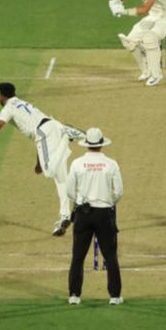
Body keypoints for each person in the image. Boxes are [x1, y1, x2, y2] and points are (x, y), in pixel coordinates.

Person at [0, 82, 84, 236]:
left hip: (46, 132)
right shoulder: (23, 103)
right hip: (52, 128)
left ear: (1, 96)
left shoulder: (8, 108)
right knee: (61, 179)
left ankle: (67, 135)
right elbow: (39, 139)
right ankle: (65, 216)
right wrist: (38, 162)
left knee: (49, 172)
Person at [65, 127, 123, 305]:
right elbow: (119, 192)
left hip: (83, 213)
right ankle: (114, 296)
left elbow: (69, 192)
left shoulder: (76, 163)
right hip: (104, 213)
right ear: (101, 144)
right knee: (111, 256)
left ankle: (74, 295)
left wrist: (81, 201)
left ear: (87, 144)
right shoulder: (111, 164)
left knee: (78, 256)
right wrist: (108, 201)